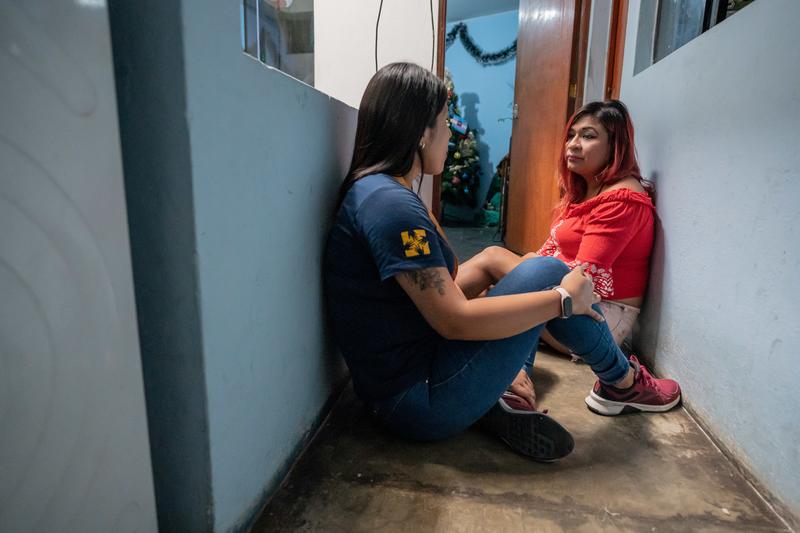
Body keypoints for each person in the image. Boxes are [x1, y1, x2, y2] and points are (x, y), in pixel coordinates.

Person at [324, 63, 681, 462]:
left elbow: (438, 290)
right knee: (548, 274)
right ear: (421, 133)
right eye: (445, 122)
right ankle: (622, 382)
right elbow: (453, 320)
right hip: (415, 403)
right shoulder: (390, 206)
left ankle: (499, 395)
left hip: (406, 380)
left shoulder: (383, 190)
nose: (452, 133)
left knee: (531, 272)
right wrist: (561, 299)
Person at [525, 100, 654, 357]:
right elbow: (547, 253)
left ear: (614, 146)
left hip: (599, 320)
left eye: (588, 136)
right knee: (503, 285)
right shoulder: (584, 192)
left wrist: (526, 274)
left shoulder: (621, 200)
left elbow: (583, 283)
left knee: (497, 264)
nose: (573, 144)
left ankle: (514, 374)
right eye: (571, 135)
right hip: (569, 302)